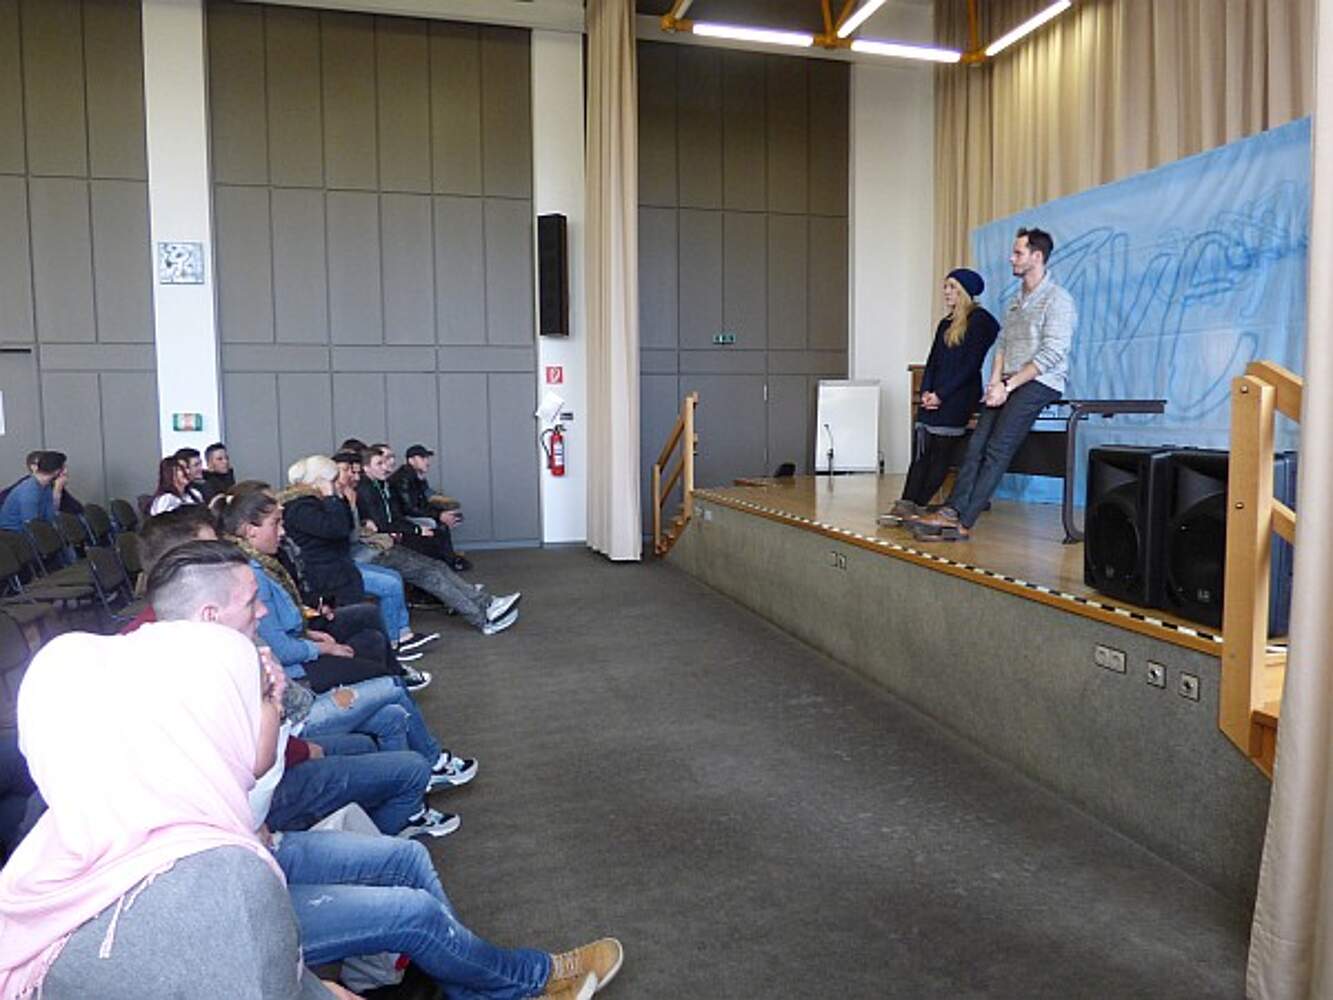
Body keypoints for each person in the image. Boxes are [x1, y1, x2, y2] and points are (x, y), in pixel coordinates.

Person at [0, 621, 348, 998]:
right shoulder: (227, 879)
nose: (278, 707)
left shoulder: (52, 843)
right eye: (264, 696)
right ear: (203, 725)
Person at [913, 227, 1076, 541]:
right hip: (1008, 381)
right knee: (975, 445)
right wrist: (994, 382)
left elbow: (1052, 354)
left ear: (1037, 257)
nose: (1011, 258)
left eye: (1018, 253)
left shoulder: (1058, 300)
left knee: (998, 448)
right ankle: (951, 510)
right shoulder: (1016, 301)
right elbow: (1002, 344)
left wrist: (1009, 386)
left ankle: (965, 522)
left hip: (1040, 381)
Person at [336, 451, 520, 635]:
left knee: (436, 566)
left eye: (355, 471)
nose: (354, 476)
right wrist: (364, 521)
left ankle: (485, 603)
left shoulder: (363, 490)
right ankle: (482, 619)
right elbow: (353, 533)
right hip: (369, 553)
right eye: (348, 471)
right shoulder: (353, 494)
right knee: (430, 575)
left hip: (381, 546)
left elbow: (382, 520)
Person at [283, 456, 437, 658]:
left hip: (338, 567)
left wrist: (343, 501)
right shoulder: (301, 508)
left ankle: (399, 637)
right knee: (385, 588)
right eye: (333, 479)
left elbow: (347, 529)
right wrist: (332, 498)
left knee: (390, 581)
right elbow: (337, 529)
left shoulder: (315, 503)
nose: (338, 482)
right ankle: (392, 645)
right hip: (325, 574)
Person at [879, 268, 999, 524]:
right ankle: (906, 503)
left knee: (940, 453)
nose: (946, 292)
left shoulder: (981, 321)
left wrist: (941, 395)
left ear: (965, 291)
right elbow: (932, 362)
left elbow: (970, 366)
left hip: (958, 395)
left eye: (952, 287)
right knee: (922, 450)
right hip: (935, 395)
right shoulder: (945, 323)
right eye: (945, 286)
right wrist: (926, 392)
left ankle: (919, 504)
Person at [389, 444, 468, 567]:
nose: (427, 462)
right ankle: (448, 561)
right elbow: (410, 508)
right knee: (437, 525)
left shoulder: (417, 477)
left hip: (411, 514)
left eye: (427, 458)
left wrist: (441, 512)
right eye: (422, 458)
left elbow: (425, 501)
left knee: (452, 518)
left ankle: (448, 558)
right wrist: (439, 515)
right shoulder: (403, 478)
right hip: (402, 518)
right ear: (411, 460)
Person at [0, 451, 67, 532]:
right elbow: (32, 526)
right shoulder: (29, 490)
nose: (65, 472)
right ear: (56, 471)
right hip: (14, 534)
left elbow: (51, 517)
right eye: (63, 468)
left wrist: (57, 492)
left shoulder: (46, 486)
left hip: (30, 532)